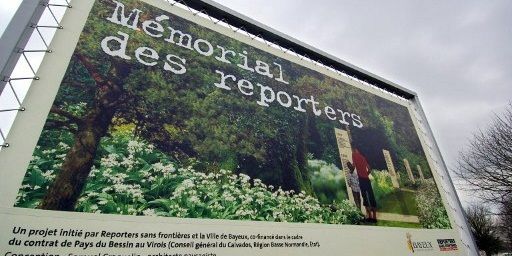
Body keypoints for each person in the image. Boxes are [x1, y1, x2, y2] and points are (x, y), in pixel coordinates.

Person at [352, 147, 377, 222]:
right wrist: (366, 174)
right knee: (371, 196)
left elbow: (353, 167)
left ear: (354, 149)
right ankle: (374, 218)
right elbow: (369, 169)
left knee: (365, 198)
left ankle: (369, 216)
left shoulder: (354, 155)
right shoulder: (363, 157)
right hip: (366, 179)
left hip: (361, 180)